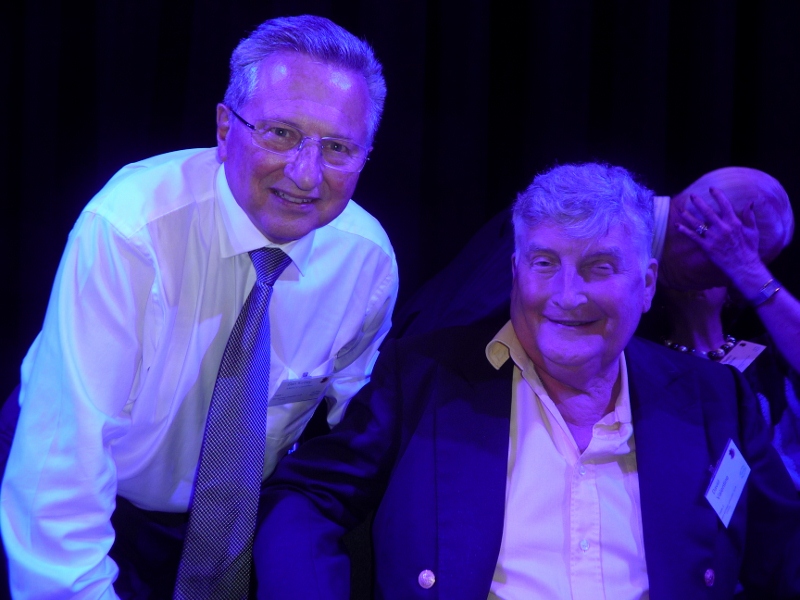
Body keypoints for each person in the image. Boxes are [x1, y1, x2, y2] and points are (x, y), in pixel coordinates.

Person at [255, 163, 800, 599]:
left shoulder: (715, 400)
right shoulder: (423, 379)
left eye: (600, 267)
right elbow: (305, 498)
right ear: (515, 270)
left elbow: (784, 557)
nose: (567, 295)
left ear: (648, 283)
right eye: (544, 263)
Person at [0, 15, 398, 598]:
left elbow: (356, 438)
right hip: (84, 493)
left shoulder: (366, 262)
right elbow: (62, 475)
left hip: (231, 528)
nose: (306, 174)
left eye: (337, 147)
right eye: (281, 133)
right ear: (225, 127)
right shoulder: (129, 230)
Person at [657, 168, 800, 489]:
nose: (709, 272)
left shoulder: (771, 356)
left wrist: (749, 269)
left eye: (724, 256)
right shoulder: (649, 364)